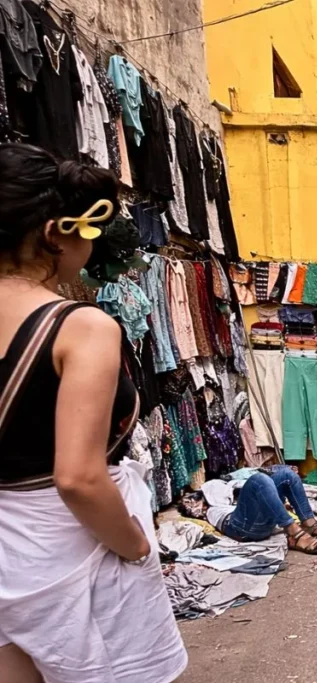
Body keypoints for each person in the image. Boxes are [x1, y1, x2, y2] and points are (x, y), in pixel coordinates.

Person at [0, 144, 186, 682]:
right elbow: (79, 478)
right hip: (75, 548)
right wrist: (133, 543)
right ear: (56, 233)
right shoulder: (81, 328)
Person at [207, 465, 317, 554]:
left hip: (258, 518)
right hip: (240, 528)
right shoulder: (208, 496)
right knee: (259, 480)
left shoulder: (228, 484)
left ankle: (310, 524)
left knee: (287, 474)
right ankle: (294, 532)